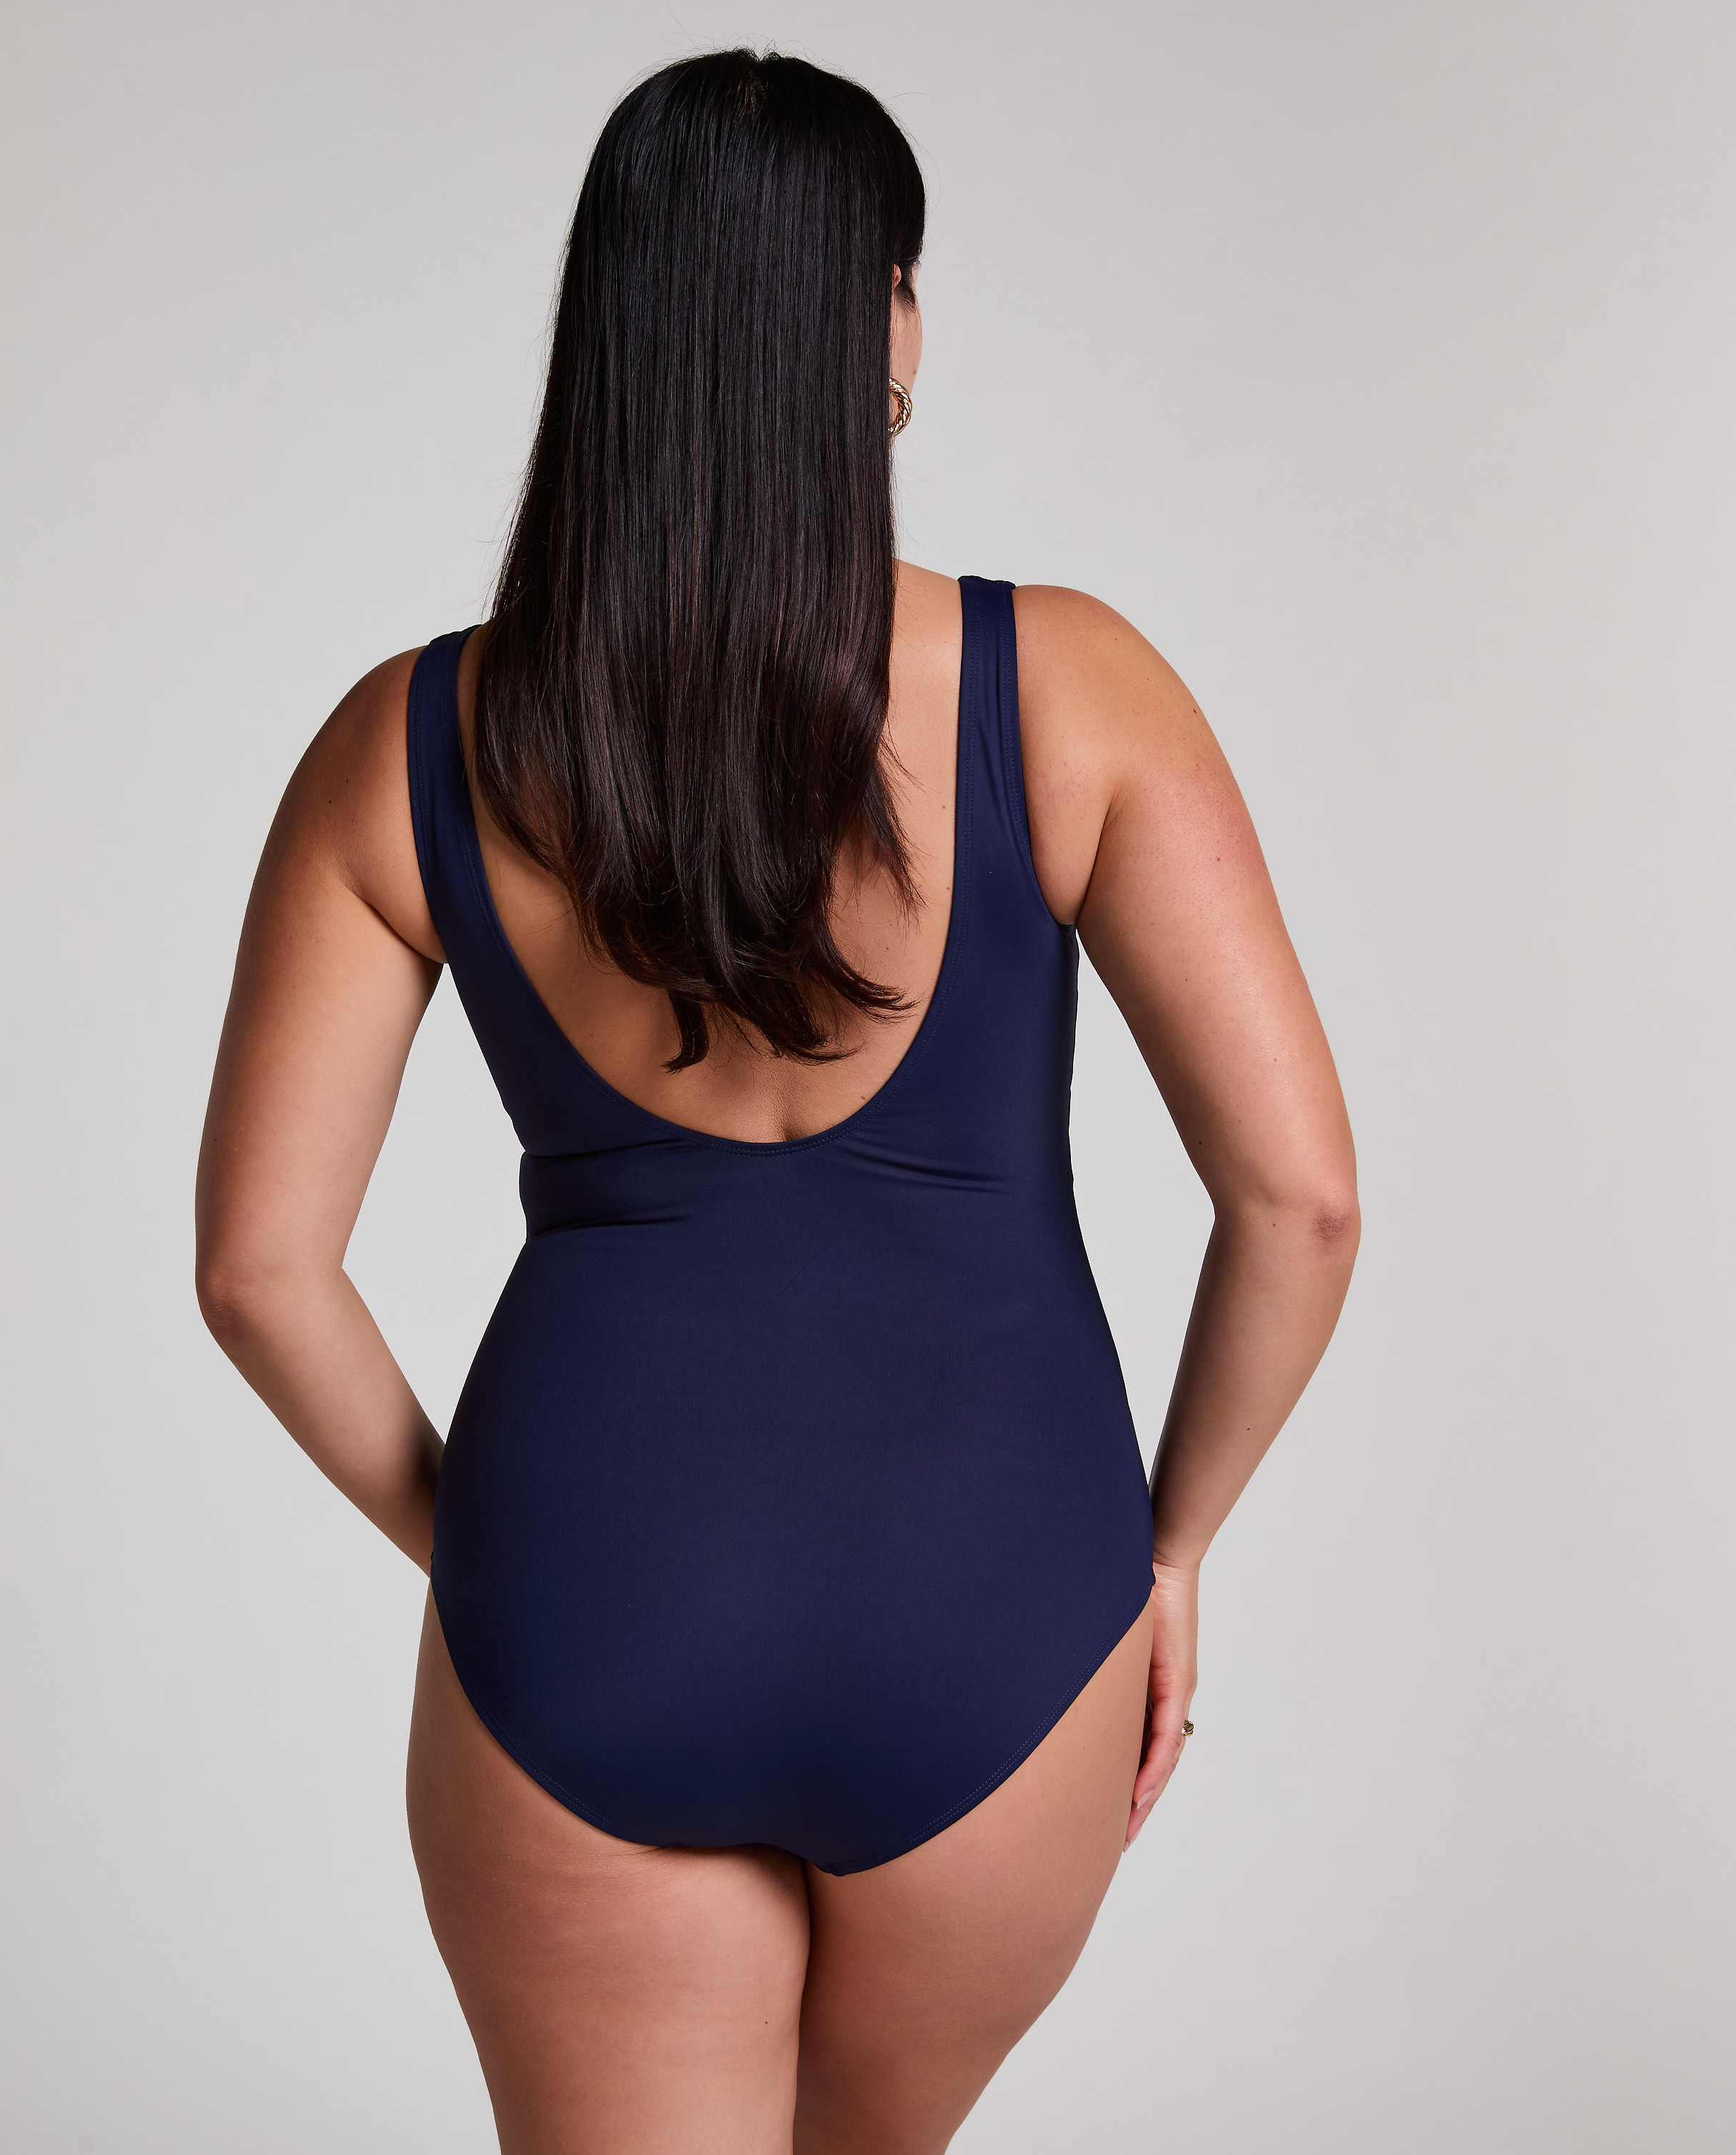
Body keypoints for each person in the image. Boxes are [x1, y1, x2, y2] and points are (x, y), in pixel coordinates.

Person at [195, 47, 1358, 2155]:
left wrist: (487, 1543)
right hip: (1000, 1598)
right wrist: (1173, 1548)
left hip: (588, 1585)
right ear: (879, 326)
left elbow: (260, 1272)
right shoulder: (1068, 688)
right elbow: (1302, 1203)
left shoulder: (412, 740)